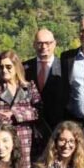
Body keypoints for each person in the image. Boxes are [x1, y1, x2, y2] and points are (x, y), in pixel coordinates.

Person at [0, 50, 41, 168]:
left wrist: (14, 113)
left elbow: (38, 111)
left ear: (16, 67)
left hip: (26, 141)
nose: (4, 70)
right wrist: (27, 114)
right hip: (2, 143)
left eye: (8, 66)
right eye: (1, 67)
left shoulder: (29, 87)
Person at [24, 28, 64, 157]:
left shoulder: (65, 67)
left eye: (48, 43)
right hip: (29, 128)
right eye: (40, 43)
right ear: (34, 44)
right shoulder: (24, 68)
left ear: (55, 44)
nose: (44, 47)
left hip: (56, 128)